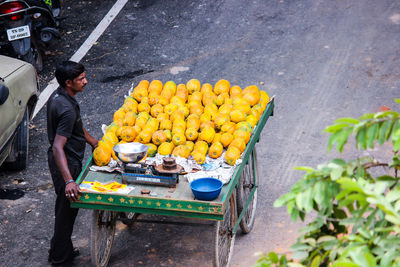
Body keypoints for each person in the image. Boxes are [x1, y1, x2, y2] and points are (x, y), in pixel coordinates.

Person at [47, 61, 98, 265]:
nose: (85, 81)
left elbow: (75, 127)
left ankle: (61, 250)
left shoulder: (59, 97)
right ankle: (60, 259)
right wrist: (69, 180)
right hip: (66, 163)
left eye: (85, 76)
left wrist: (93, 141)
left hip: (64, 161)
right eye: (80, 79)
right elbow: (58, 146)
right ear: (68, 82)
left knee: (64, 209)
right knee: (66, 213)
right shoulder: (67, 109)